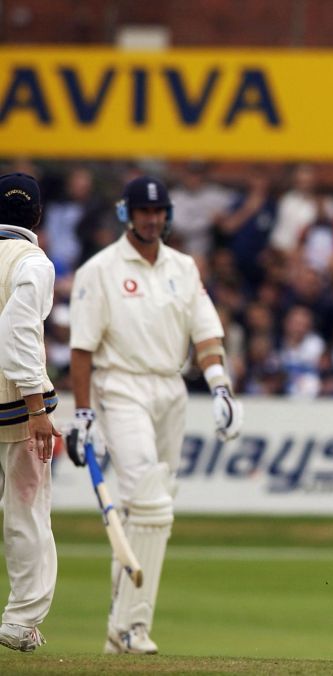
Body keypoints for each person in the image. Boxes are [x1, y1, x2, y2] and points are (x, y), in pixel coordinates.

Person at [66, 176, 243, 653]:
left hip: (171, 389)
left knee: (148, 507)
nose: (152, 218)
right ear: (127, 213)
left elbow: (206, 334)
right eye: (143, 211)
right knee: (149, 503)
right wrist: (82, 414)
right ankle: (130, 628)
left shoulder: (184, 267)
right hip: (119, 385)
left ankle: (119, 626)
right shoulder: (99, 270)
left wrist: (221, 388)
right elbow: (81, 348)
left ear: (167, 214)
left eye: (159, 211)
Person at [0, 173, 61, 652]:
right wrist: (36, 406)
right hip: (15, 409)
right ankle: (21, 620)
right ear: (37, 216)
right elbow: (18, 330)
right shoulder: (34, 262)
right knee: (27, 510)